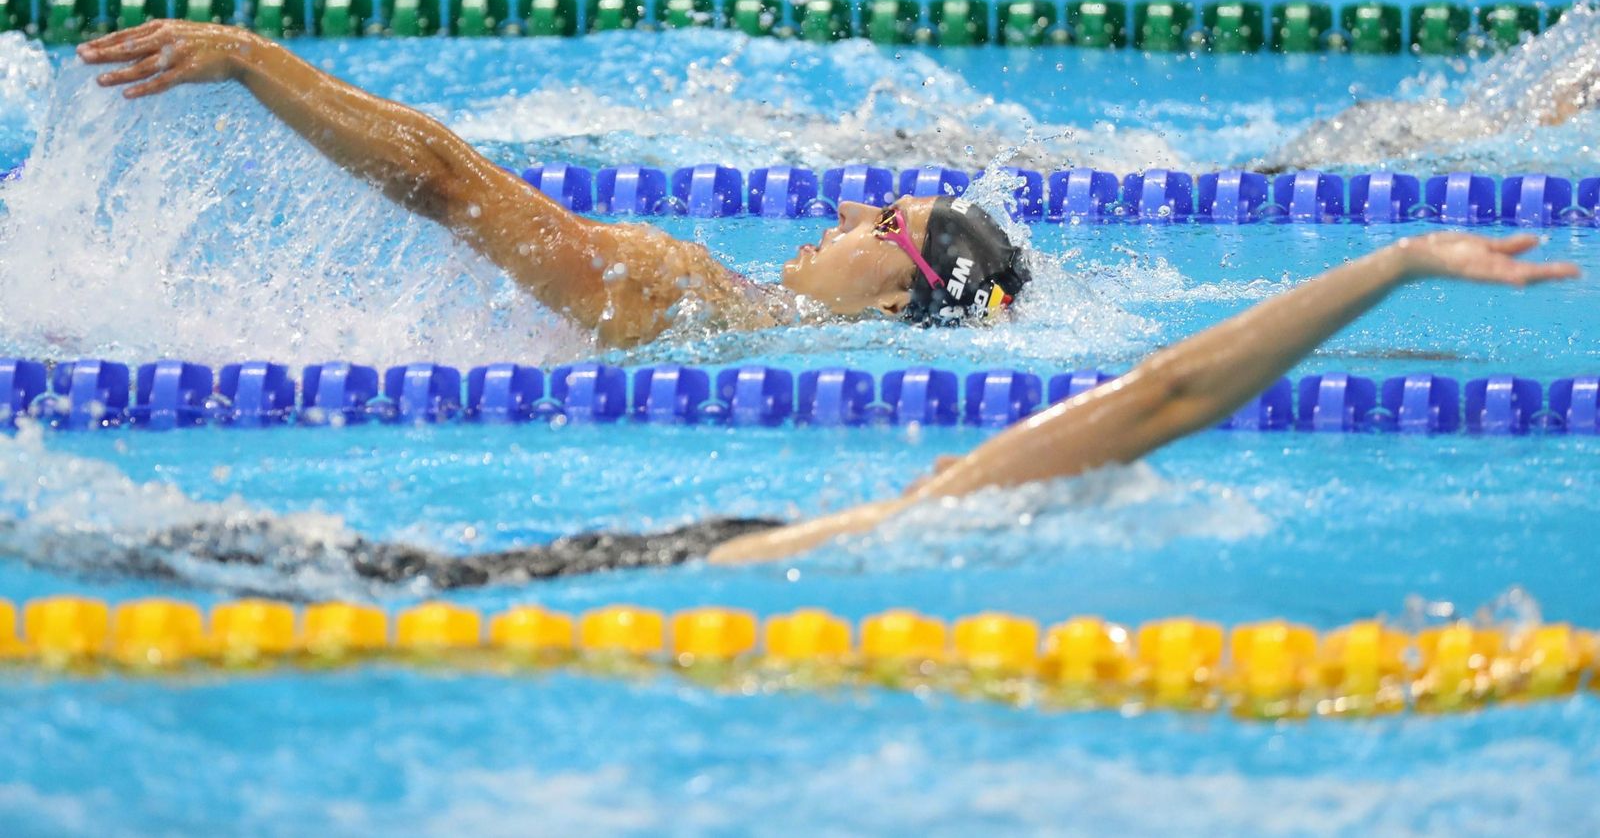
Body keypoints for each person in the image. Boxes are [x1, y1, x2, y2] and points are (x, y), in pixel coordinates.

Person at [110, 231, 1575, 593]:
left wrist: (1394, 261)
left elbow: (1178, 390)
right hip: (631, 565)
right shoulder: (918, 525)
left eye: (894, 216)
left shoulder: (956, 500)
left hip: (616, 567)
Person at [76, 21, 1030, 350]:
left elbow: (449, 186)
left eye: (887, 221)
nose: (851, 209)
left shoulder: (681, 292)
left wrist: (251, 59)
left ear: (903, 291)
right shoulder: (739, 326)